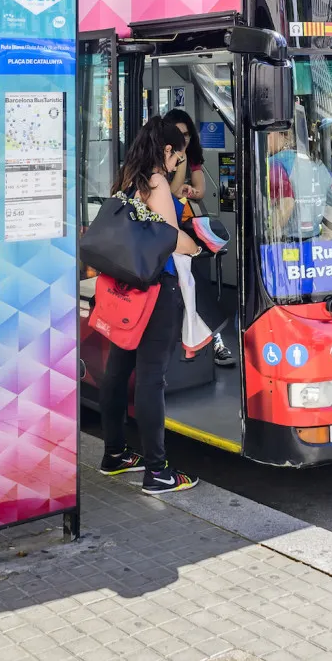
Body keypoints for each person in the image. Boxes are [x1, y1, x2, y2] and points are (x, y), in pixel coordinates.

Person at [96, 116, 201, 495]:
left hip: (124, 288)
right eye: (177, 157)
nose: (176, 165)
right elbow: (170, 239)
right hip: (155, 290)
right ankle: (157, 471)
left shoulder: (128, 179)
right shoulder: (156, 182)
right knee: (151, 377)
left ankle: (114, 453)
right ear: (167, 150)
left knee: (117, 371)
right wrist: (198, 245)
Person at [164, 107, 234, 367]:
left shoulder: (191, 157)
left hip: (186, 221)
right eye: (178, 134)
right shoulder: (162, 159)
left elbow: (200, 190)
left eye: (187, 135)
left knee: (198, 280)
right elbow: (168, 194)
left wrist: (187, 189)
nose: (183, 139)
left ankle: (212, 340)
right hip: (169, 226)